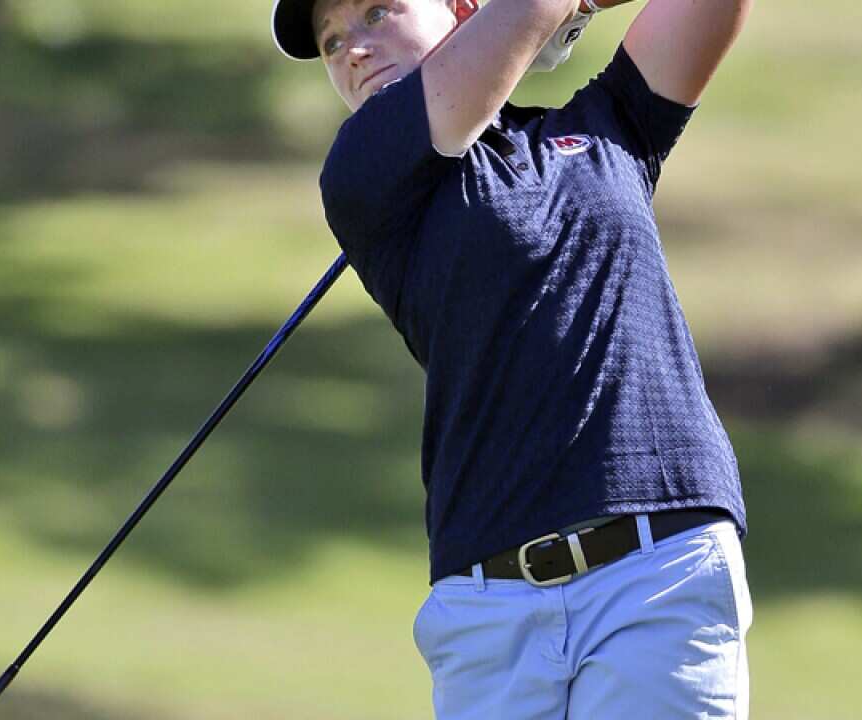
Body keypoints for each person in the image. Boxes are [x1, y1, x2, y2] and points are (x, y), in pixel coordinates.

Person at [270, 0, 753, 715]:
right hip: (489, 610)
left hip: (660, 572)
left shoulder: (607, 127)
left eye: (377, 12)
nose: (353, 51)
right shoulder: (361, 174)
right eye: (333, 40)